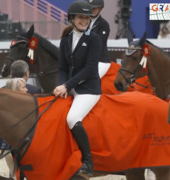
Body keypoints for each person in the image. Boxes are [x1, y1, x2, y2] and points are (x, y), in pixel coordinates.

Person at [53, 1, 102, 176]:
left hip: (89, 89)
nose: (84, 21)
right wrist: (61, 85)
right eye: (81, 17)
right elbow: (63, 68)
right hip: (72, 87)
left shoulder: (94, 39)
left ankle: (88, 162)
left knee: (72, 118)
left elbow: (89, 69)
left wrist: (67, 85)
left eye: (87, 18)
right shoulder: (65, 40)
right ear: (72, 18)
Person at [87, 0, 110, 78]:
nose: (92, 10)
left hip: (101, 61)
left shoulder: (104, 25)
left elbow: (98, 42)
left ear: (100, 8)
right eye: (90, 8)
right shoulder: (85, 22)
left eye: (95, 8)